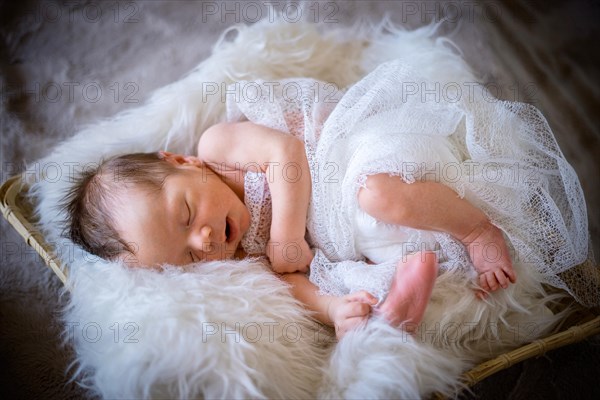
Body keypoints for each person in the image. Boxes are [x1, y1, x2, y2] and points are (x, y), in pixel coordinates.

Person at [64, 122, 515, 339]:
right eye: (188, 257)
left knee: (379, 196)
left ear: (183, 162)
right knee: (367, 270)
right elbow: (291, 285)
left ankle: (477, 231)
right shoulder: (239, 256)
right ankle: (401, 302)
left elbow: (286, 152)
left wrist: (284, 234)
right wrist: (332, 308)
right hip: (348, 238)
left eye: (185, 215)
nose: (202, 240)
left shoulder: (217, 148)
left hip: (346, 170)